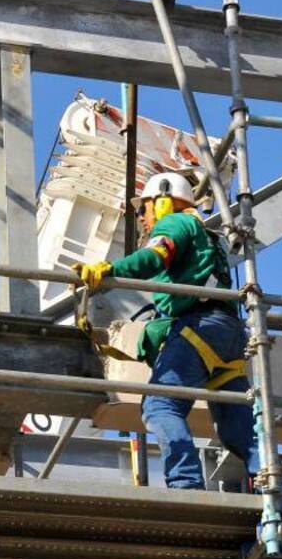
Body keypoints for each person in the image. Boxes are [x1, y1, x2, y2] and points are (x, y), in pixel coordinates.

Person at [74, 172, 264, 491]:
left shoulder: (174, 223)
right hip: (227, 334)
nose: (143, 219)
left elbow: (154, 257)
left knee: (159, 406)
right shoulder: (207, 237)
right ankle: (275, 488)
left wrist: (110, 271)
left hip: (200, 327)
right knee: (237, 429)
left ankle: (186, 483)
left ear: (163, 200)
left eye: (144, 209)